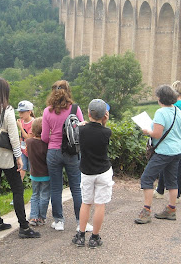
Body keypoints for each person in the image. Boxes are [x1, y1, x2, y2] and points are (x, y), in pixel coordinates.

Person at [0, 78, 40, 238]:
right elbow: (14, 138)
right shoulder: (7, 111)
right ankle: (24, 227)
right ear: (4, 92)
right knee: (17, 189)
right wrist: (19, 157)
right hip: (6, 157)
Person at [42, 80, 92, 232]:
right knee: (76, 188)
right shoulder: (75, 109)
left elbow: (44, 137)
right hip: (72, 152)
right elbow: (82, 129)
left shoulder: (47, 111)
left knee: (56, 188)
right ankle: (80, 222)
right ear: (68, 91)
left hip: (53, 152)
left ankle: (58, 221)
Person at [135, 85, 181, 224]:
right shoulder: (177, 111)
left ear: (161, 98)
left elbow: (157, 134)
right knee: (172, 180)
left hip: (164, 152)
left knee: (146, 178)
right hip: (177, 150)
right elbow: (179, 130)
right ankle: (171, 210)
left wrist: (147, 131)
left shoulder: (161, 113)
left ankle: (146, 211)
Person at [73, 99, 113, 248]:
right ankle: (95, 237)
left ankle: (81, 235)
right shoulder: (106, 132)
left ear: (88, 113)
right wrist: (104, 123)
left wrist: (82, 124)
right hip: (103, 171)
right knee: (100, 204)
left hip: (86, 171)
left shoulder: (81, 130)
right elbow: (101, 132)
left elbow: (79, 130)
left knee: (86, 202)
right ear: (105, 115)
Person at [25, 117, 50, 226]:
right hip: (46, 174)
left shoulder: (29, 142)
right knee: (44, 195)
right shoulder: (47, 144)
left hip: (34, 174)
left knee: (35, 195)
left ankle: (33, 217)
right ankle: (41, 217)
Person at [16, 100, 35, 182]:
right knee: (21, 168)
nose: (20, 115)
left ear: (29, 112)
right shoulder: (22, 121)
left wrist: (20, 127)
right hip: (23, 149)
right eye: (19, 112)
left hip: (31, 150)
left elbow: (28, 137)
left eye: (22, 112)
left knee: (32, 170)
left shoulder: (34, 122)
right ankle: (19, 187)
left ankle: (35, 187)